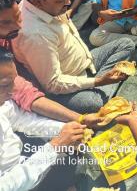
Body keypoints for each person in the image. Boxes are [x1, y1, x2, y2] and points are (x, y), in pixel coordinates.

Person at [12, 0, 135, 113]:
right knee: (94, 103)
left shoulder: (47, 4)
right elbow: (53, 83)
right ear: (38, 2)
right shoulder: (34, 34)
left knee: (126, 44)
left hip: (86, 63)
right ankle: (103, 87)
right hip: (66, 85)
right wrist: (98, 81)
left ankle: (103, 85)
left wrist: (97, 79)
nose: (68, 2)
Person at [0, 0, 104, 128]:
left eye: (18, 16)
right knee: (93, 103)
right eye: (6, 23)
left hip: (66, 75)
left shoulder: (27, 20)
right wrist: (79, 119)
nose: (18, 26)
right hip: (36, 96)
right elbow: (25, 92)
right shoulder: (33, 34)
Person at [0, 46, 87, 191]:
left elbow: (23, 120)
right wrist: (55, 146)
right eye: (5, 84)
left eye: (14, 80)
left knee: (74, 158)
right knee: (75, 168)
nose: (14, 89)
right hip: (14, 181)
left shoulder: (3, 103)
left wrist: (65, 130)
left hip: (20, 160)